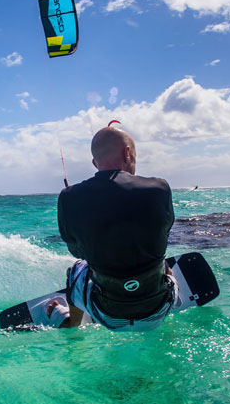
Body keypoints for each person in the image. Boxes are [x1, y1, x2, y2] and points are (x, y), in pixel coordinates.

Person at [50, 125, 178, 330]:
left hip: (108, 314)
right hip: (158, 308)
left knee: (76, 269)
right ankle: (168, 319)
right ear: (127, 153)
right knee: (162, 261)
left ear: (94, 162)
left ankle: (73, 324)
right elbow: (165, 233)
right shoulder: (159, 188)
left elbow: (76, 251)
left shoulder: (68, 197)